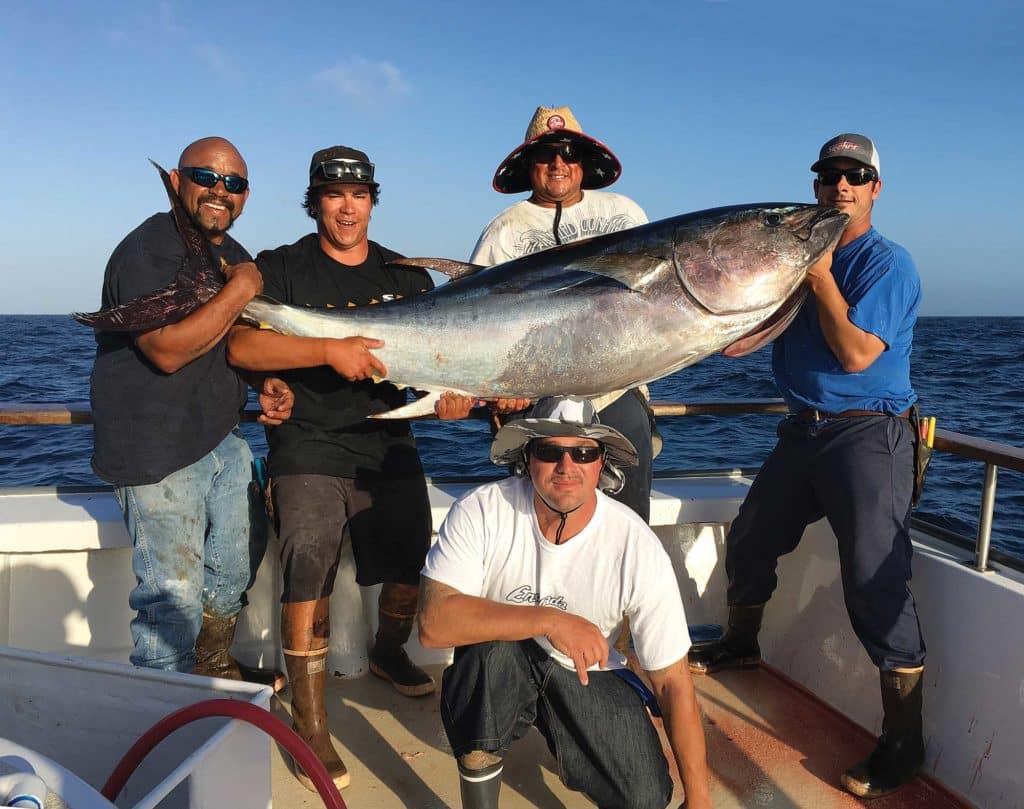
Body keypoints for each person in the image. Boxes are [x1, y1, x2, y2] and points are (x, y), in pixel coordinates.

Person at [227, 145, 475, 791]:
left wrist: (456, 396)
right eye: (333, 195)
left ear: (372, 200)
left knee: (408, 563)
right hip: (309, 440)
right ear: (316, 201)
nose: (346, 206)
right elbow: (244, 342)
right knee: (307, 552)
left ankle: (388, 650)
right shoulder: (280, 267)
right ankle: (310, 718)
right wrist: (324, 350)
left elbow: (444, 360)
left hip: (390, 441)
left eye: (358, 194)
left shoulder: (408, 277)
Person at [688, 133, 924, 799]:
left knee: (874, 577)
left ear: (875, 188)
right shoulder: (789, 259)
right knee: (753, 535)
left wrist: (819, 276)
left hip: (868, 434)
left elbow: (855, 355)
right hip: (802, 433)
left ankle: (905, 740)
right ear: (816, 186)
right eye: (829, 176)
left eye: (855, 176)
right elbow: (745, 338)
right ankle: (740, 641)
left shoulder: (888, 265)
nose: (840, 186)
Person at [419, 396, 712, 809]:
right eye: (549, 451)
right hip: (502, 663)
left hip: (587, 673)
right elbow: (433, 621)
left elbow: (672, 682)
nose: (566, 465)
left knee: (645, 798)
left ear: (601, 462)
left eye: (583, 452)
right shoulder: (481, 510)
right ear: (527, 457)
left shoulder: (635, 542)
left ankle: (567, 735)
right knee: (489, 655)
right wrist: (551, 621)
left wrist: (699, 800)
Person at [89, 136, 292, 690]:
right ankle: (164, 715)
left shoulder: (228, 253)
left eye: (234, 183)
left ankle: (212, 665)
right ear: (177, 181)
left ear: (245, 196)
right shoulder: (149, 250)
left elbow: (231, 340)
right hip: (156, 451)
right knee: (170, 599)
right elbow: (168, 348)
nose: (219, 191)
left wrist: (263, 380)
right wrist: (245, 286)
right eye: (206, 176)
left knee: (231, 571)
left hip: (219, 440)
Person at [470, 105, 657, 522]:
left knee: (626, 517)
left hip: (615, 389)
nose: (559, 163)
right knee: (539, 517)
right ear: (528, 165)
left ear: (584, 163)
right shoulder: (506, 228)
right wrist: (499, 389)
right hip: (534, 396)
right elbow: (477, 319)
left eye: (570, 153)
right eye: (546, 154)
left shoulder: (623, 213)